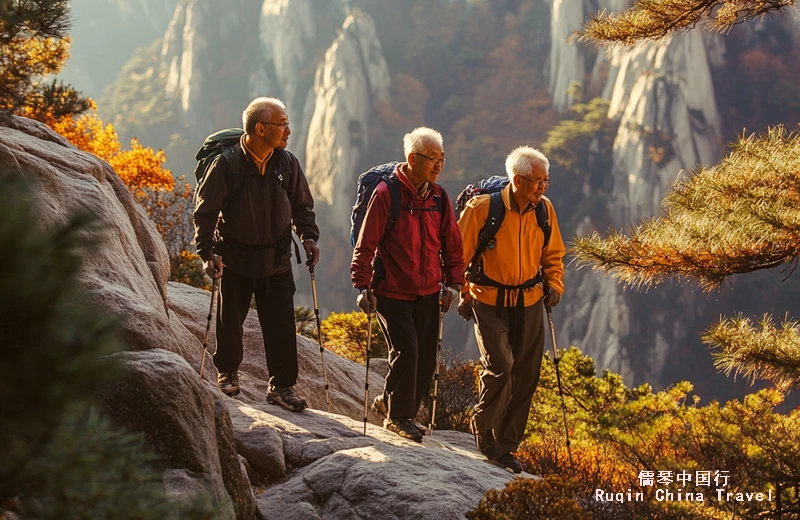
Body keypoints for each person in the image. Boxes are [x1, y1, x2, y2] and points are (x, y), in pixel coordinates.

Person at [193, 97, 320, 412]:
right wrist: (206, 252)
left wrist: (309, 237)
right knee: (231, 318)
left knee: (280, 323)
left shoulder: (287, 163)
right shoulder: (227, 163)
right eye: (282, 124)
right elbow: (205, 211)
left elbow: (302, 205)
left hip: (276, 257)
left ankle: (282, 385)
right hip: (235, 255)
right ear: (261, 128)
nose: (288, 131)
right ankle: (227, 371)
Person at [351, 127, 465, 443]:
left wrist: (454, 284)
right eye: (433, 158)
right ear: (413, 158)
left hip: (429, 291)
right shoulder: (388, 194)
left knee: (426, 359)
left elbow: (452, 245)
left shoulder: (439, 198)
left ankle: (393, 405)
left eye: (442, 158)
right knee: (408, 352)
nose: (439, 165)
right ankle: (398, 418)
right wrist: (362, 285)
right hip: (391, 291)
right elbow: (367, 242)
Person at [457, 146, 565, 473]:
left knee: (527, 375)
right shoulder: (482, 209)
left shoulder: (544, 210)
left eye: (546, 181)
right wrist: (463, 292)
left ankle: (506, 446)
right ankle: (484, 426)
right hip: (489, 301)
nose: (543, 188)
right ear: (517, 180)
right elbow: (456, 257)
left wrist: (555, 284)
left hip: (530, 301)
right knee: (501, 365)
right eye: (537, 182)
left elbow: (553, 255)